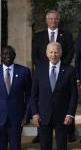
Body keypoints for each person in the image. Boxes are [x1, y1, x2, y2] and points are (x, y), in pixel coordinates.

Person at [31, 42, 78, 150]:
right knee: (45, 149)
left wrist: (70, 113)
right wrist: (35, 113)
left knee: (61, 149)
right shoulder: (39, 70)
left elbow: (73, 95)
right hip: (43, 116)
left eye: (56, 52)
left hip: (62, 117)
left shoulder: (69, 70)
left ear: (61, 53)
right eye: (51, 52)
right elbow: (33, 95)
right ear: (46, 54)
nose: (53, 55)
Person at [31, 10, 75, 142]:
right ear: (46, 20)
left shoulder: (66, 35)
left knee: (65, 100)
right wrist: (45, 69)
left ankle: (70, 133)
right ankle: (41, 134)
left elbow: (69, 53)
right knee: (43, 102)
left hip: (62, 73)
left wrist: (61, 67)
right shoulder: (39, 36)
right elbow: (35, 56)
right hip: (44, 74)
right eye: (51, 19)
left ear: (59, 20)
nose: (53, 21)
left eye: (56, 19)